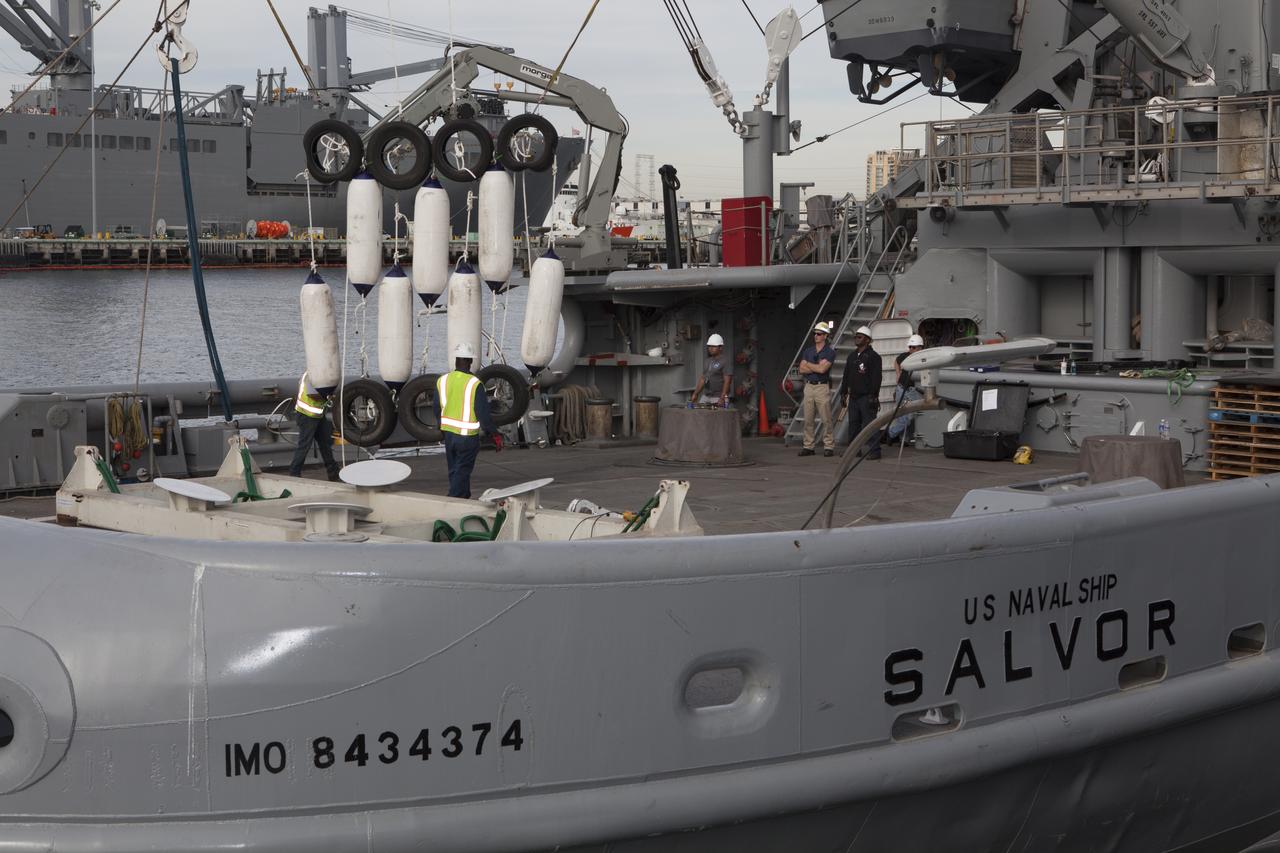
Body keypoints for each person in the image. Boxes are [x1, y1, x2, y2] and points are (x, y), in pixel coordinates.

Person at [434, 342, 501, 499]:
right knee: (463, 469)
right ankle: (454, 499)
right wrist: (494, 434)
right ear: (470, 361)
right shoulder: (474, 383)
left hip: (449, 434)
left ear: (456, 360)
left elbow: (437, 408)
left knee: (454, 469)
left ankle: (463, 496)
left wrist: (441, 426)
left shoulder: (442, 381)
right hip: (467, 436)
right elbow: (483, 414)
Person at [838, 325, 883, 460]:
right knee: (853, 424)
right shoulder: (852, 356)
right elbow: (846, 375)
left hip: (866, 397)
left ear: (867, 340)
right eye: (856, 336)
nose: (856, 339)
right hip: (854, 397)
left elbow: (876, 378)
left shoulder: (873, 357)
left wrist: (873, 395)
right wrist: (843, 392)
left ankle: (875, 451)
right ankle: (853, 451)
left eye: (860, 337)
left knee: (870, 425)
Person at [289, 372, 341, 481]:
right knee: (305, 445)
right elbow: (312, 395)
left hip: (317, 415)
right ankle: (294, 473)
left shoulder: (311, 373)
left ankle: (333, 473)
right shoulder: (312, 376)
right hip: (307, 416)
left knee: (325, 444)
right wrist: (329, 397)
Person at [797, 321, 837, 457]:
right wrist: (814, 366)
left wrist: (808, 364)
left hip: (821, 386)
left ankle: (829, 446)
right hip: (809, 386)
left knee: (826, 418)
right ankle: (808, 446)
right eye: (815, 333)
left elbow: (822, 369)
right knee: (808, 419)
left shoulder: (830, 352)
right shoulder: (808, 351)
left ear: (825, 336)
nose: (816, 336)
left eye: (819, 334)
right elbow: (802, 369)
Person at [887, 334, 926, 445]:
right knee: (901, 415)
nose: (910, 349)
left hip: (913, 390)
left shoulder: (924, 358)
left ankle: (890, 433)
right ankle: (904, 440)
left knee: (910, 416)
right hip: (901, 388)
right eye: (910, 347)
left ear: (920, 347)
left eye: (913, 347)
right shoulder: (905, 356)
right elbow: (896, 361)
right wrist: (898, 373)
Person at [690, 333, 732, 406]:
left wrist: (722, 398)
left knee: (717, 417)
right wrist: (695, 394)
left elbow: (727, 381)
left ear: (720, 348)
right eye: (709, 346)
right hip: (706, 396)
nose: (711, 348)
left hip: (718, 397)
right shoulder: (707, 361)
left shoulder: (725, 361)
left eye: (714, 346)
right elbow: (703, 379)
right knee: (701, 414)